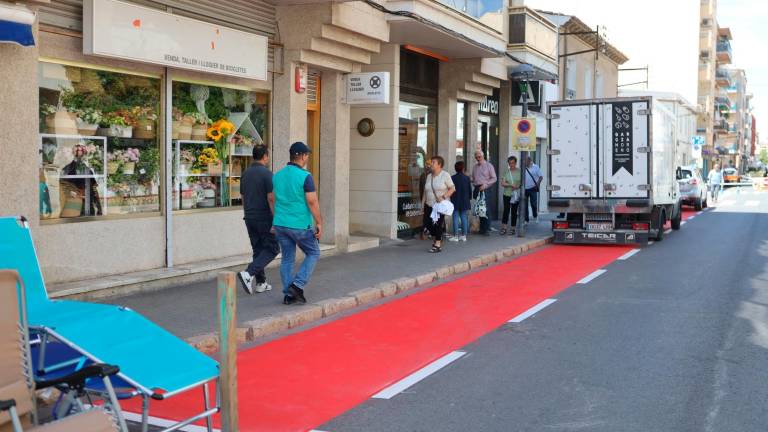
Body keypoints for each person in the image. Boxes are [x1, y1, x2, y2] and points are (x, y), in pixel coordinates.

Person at [271, 142, 323, 305]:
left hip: (280, 224)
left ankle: (289, 295)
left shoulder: (277, 175)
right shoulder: (305, 176)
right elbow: (312, 201)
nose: (307, 157)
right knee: (313, 253)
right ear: (301, 156)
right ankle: (297, 285)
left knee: (287, 259)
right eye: (307, 155)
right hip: (299, 225)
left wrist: (277, 218)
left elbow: (271, 198)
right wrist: (319, 222)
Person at [238, 145, 280, 295]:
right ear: (265, 157)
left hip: (249, 216)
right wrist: (276, 220)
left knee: (258, 249)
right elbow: (271, 198)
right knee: (272, 248)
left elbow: (243, 197)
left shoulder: (245, 174)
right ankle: (248, 274)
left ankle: (261, 283)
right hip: (264, 217)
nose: (268, 158)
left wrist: (246, 214)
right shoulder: (268, 174)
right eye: (268, 155)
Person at [422, 156, 455, 253]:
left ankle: (437, 244)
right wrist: (422, 204)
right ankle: (437, 238)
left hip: (439, 205)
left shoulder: (445, 175)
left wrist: (443, 197)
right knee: (427, 223)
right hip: (429, 204)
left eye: (433, 162)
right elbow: (425, 191)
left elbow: (452, 188)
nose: (431, 164)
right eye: (431, 162)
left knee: (437, 224)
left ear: (439, 165)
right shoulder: (429, 176)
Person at [61, 143, 102, 217]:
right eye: (78, 151)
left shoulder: (87, 170)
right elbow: (64, 187)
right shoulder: (68, 169)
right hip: (74, 206)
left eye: (81, 151)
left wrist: (99, 207)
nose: (80, 155)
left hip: (85, 206)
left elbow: (93, 189)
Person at [471, 150, 497, 235]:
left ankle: (487, 229)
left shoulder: (489, 166)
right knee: (479, 209)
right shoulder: (475, 167)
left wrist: (485, 185)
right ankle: (481, 229)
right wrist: (469, 179)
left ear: (483, 156)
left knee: (486, 209)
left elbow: (494, 178)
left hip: (486, 188)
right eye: (476, 157)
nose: (478, 159)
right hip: (477, 188)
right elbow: (474, 179)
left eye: (479, 157)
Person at [450, 161, 472, 242]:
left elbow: (450, 189)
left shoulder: (452, 178)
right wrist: (469, 198)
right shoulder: (467, 178)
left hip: (455, 200)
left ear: (455, 169)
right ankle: (464, 236)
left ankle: (456, 236)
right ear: (463, 168)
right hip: (465, 200)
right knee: (464, 217)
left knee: (455, 217)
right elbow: (470, 190)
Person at [500, 155, 521, 235]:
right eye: (509, 163)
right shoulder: (506, 172)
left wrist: (518, 186)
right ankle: (504, 228)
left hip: (515, 195)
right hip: (507, 194)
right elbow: (502, 183)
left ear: (515, 163)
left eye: (512, 163)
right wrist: (510, 185)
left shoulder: (519, 172)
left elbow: (522, 183)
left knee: (514, 212)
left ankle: (513, 228)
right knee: (506, 211)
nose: (511, 165)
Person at [524, 157, 543, 223]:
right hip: (525, 189)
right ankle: (526, 219)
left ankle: (535, 215)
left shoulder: (536, 167)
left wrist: (537, 184)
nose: (525, 163)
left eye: (526, 162)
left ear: (530, 161)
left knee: (533, 204)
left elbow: (541, 177)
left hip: (533, 188)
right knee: (525, 205)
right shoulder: (523, 167)